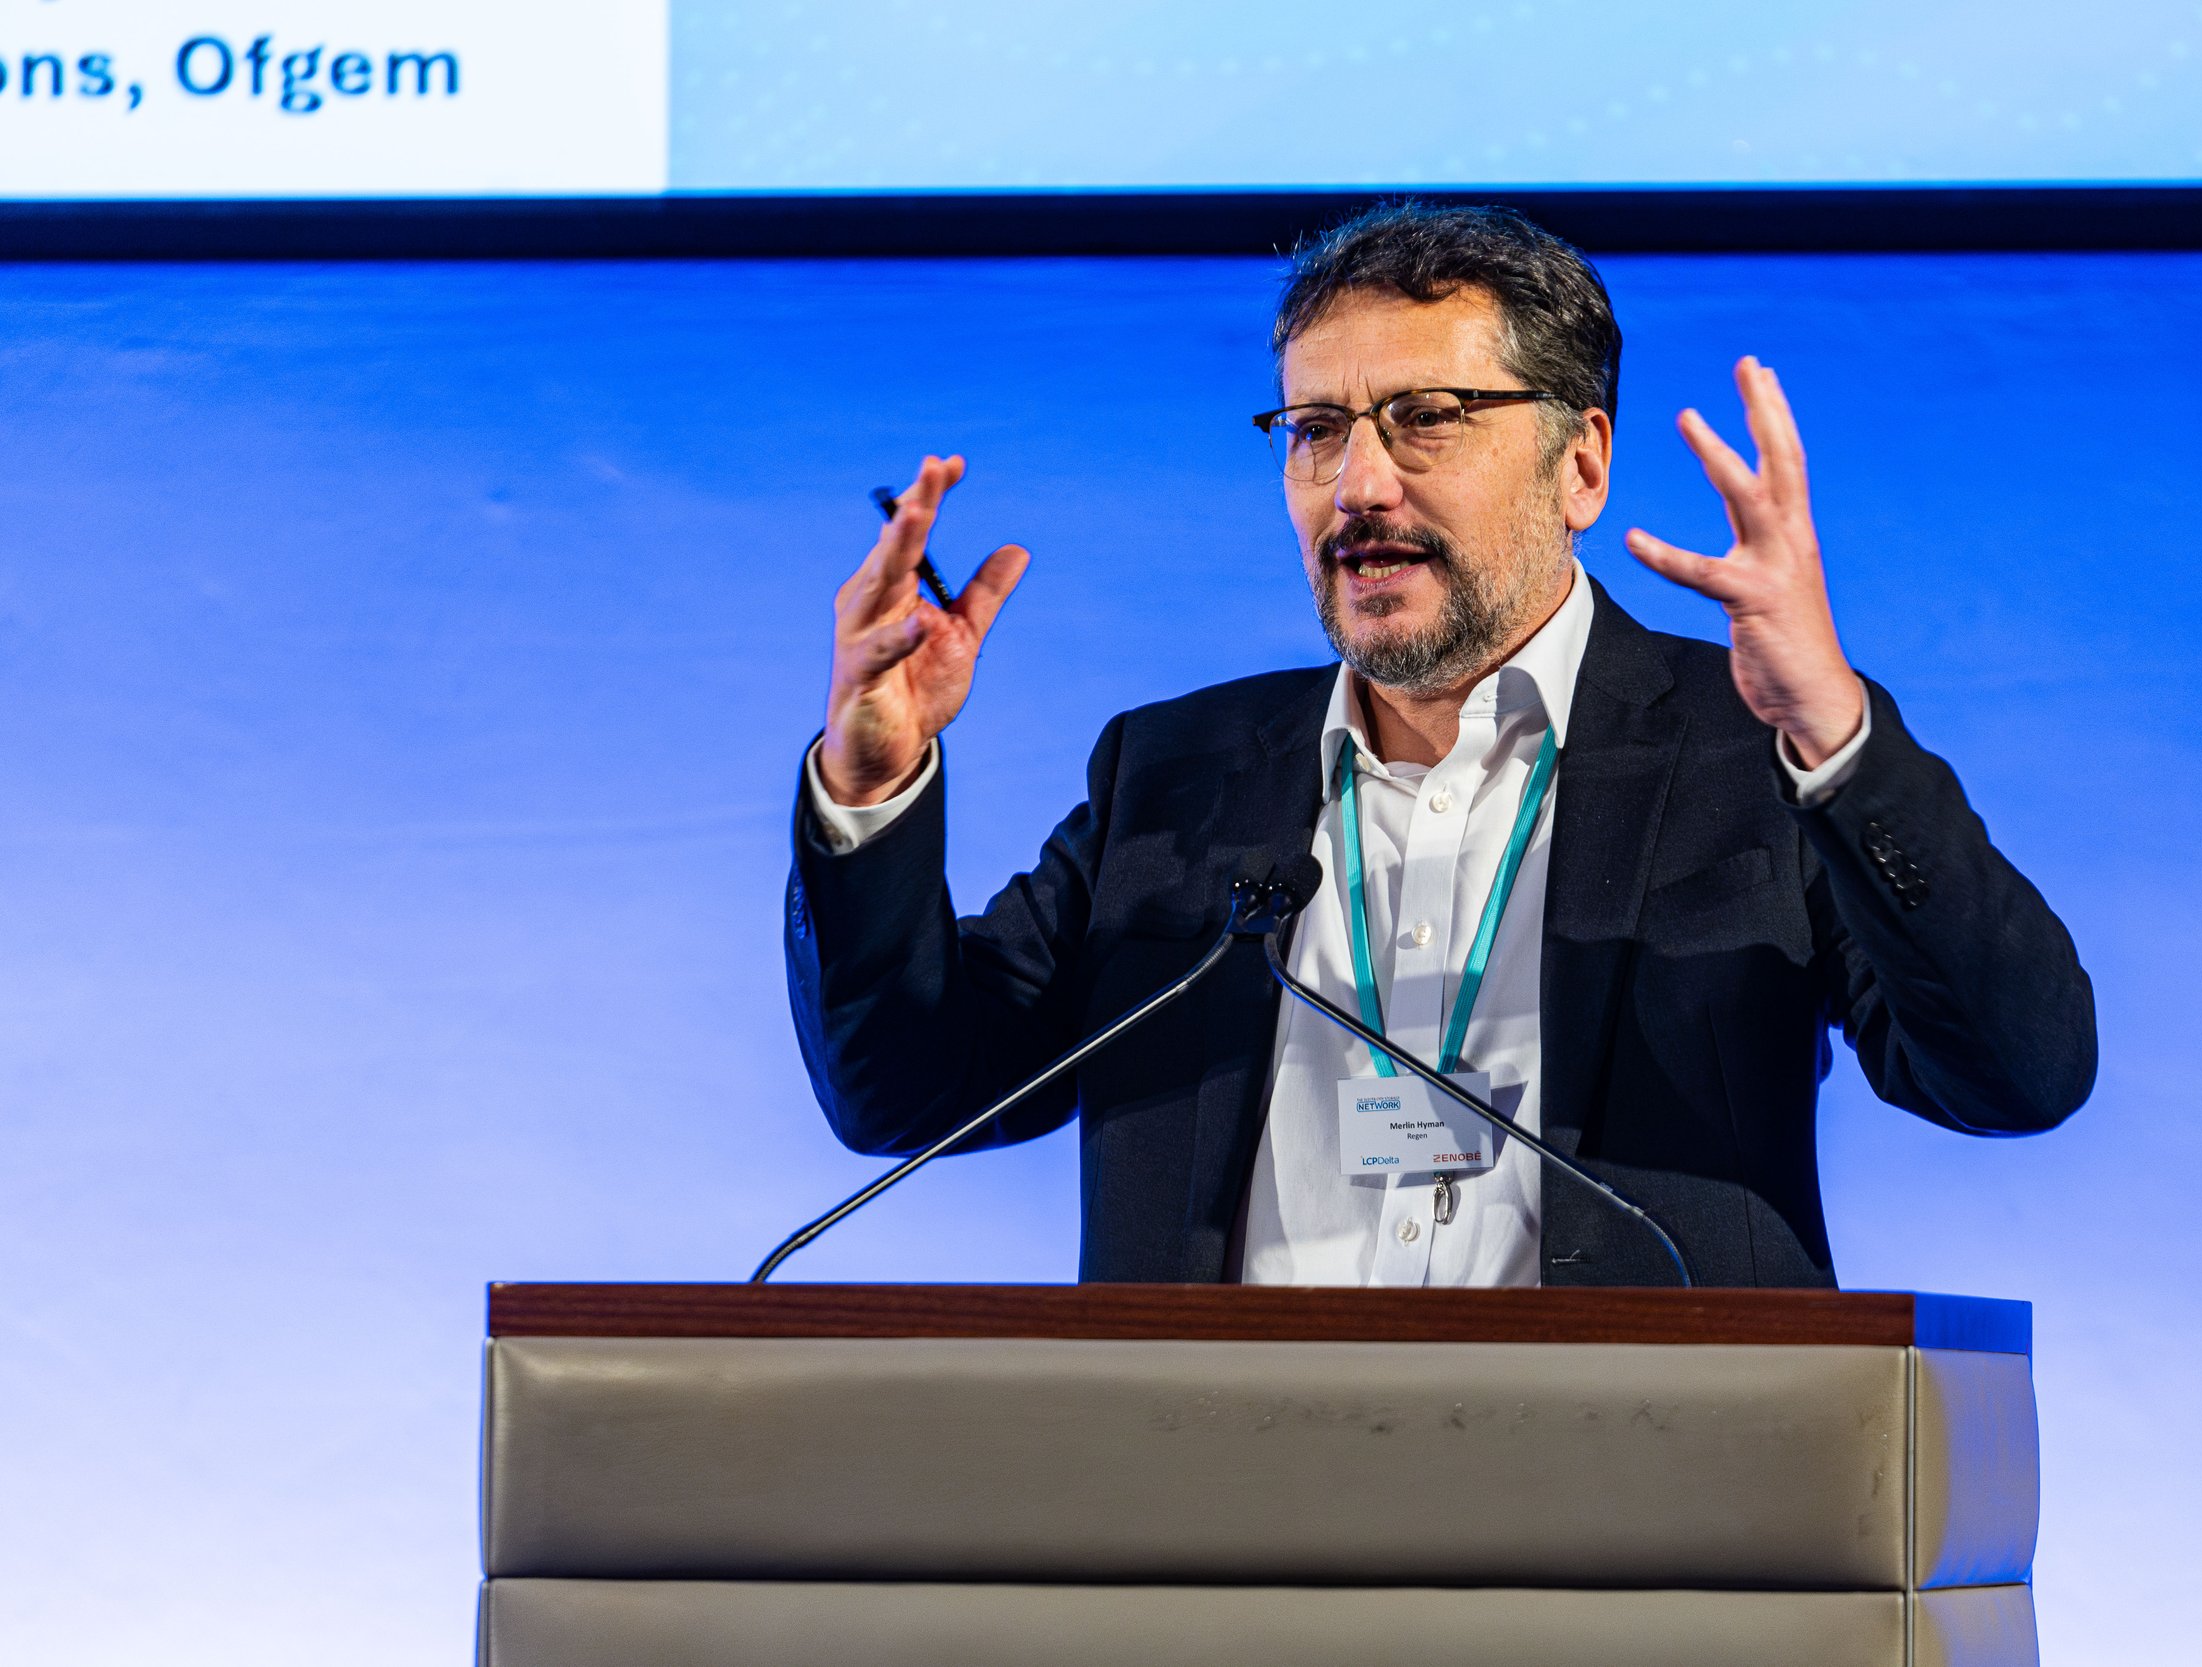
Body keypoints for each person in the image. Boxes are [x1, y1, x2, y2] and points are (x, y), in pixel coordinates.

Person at [783, 201, 2094, 1288]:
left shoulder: (1746, 746)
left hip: (1630, 1529)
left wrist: (1836, 737)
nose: (1357, 484)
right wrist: (871, 779)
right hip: (1218, 1523)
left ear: (1580, 467)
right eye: (1316, 430)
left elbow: (2012, 1073)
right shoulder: (1175, 775)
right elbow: (905, 1091)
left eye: (1428, 417)